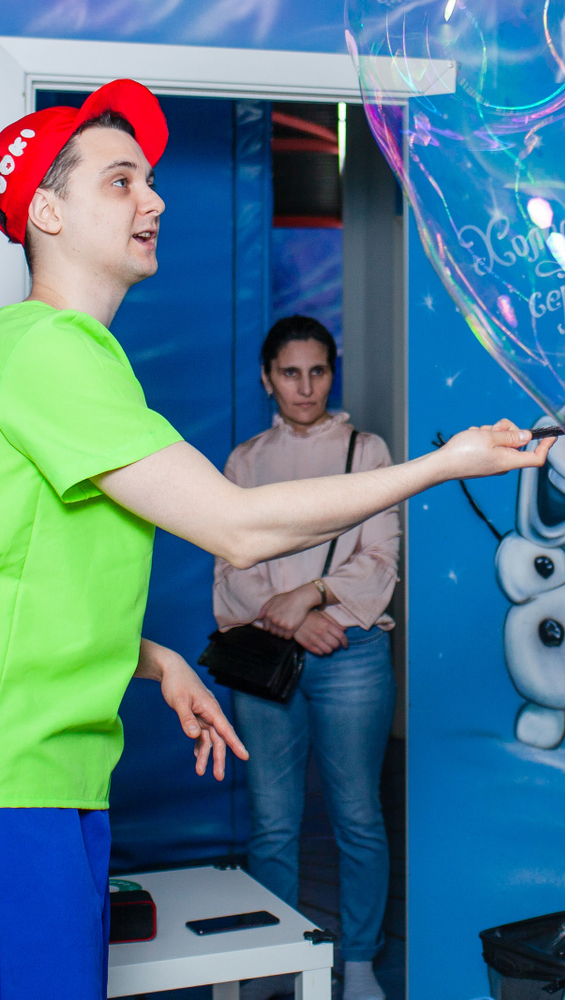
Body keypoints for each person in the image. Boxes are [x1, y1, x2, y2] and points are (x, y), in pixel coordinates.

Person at [0, 80, 550, 1000]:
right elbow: (236, 527)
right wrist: (442, 465)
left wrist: (156, 662)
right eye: (121, 181)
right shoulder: (46, 351)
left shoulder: (63, 358)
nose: (153, 200)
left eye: (150, 180)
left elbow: (16, 580)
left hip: (26, 780)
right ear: (47, 212)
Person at [215, 316, 399, 1000]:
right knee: (272, 822)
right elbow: (230, 565)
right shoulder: (244, 462)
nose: (305, 386)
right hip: (266, 654)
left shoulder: (366, 451)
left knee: (358, 816)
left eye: (317, 371)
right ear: (267, 378)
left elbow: (382, 558)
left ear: (332, 374)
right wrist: (293, 619)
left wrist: (312, 597)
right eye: (290, 373)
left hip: (352, 652)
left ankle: (360, 963)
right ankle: (274, 963)